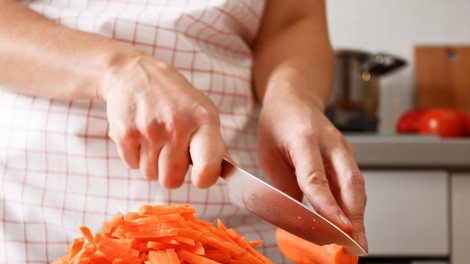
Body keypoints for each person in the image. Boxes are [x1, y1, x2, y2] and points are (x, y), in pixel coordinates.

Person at [0, 0, 368, 262]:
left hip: (227, 230)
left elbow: (293, 21)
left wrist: (289, 95)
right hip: (41, 213)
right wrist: (115, 68)